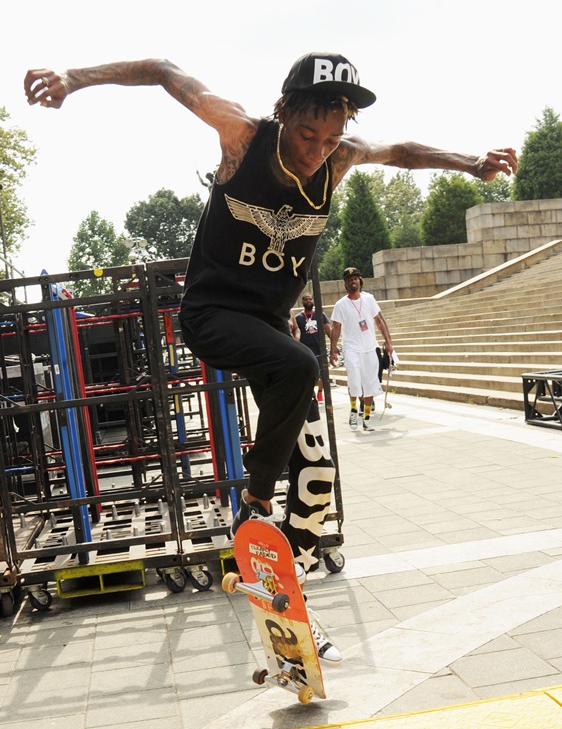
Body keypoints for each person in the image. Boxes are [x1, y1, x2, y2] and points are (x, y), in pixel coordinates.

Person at [24, 52, 517, 664]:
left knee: (316, 476)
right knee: (302, 367)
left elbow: (405, 152)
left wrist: (470, 162)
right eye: (307, 135)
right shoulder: (242, 135)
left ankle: (288, 595)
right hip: (211, 317)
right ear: (282, 113)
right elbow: (161, 71)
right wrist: (74, 78)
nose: (316, 150)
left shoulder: (340, 158)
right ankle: (253, 504)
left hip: (266, 333)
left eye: (330, 138)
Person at [330, 268, 393, 431]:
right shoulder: (340, 304)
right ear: (345, 284)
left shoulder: (369, 299)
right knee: (354, 381)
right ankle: (352, 410)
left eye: (355, 278)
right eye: (349, 279)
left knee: (371, 384)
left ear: (360, 281)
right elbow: (336, 327)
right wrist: (332, 349)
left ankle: (366, 419)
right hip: (351, 348)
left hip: (370, 347)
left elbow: (379, 321)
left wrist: (389, 342)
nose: (353, 281)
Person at [295, 292, 331, 401]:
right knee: (309, 374)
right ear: (302, 302)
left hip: (319, 349)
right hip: (306, 350)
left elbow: (328, 329)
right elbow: (296, 332)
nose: (308, 301)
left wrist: (333, 345)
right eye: (306, 299)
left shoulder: (320, 315)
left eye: (310, 299)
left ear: (313, 301)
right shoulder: (298, 318)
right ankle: (312, 394)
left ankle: (320, 391)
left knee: (322, 374)